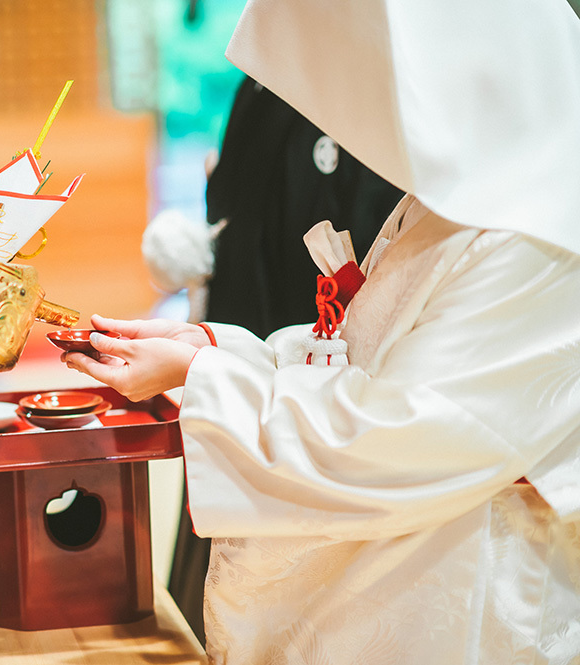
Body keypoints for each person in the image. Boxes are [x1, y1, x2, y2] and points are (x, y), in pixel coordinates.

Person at [65, 0, 580, 662]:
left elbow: (409, 436)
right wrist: (221, 348)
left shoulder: (542, 232)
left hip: (470, 599)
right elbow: (375, 354)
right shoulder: (458, 203)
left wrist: (207, 380)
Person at [152, 74, 402, 645]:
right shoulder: (262, 80)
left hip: (319, 386)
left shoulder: (370, 75)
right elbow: (239, 207)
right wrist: (206, 253)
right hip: (241, 354)